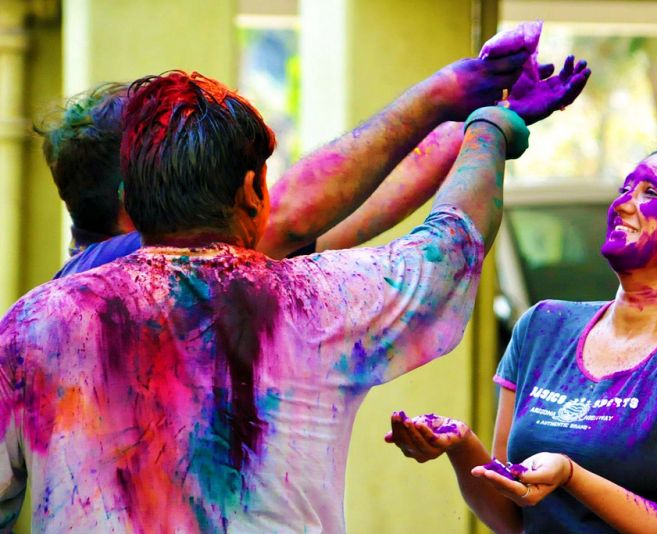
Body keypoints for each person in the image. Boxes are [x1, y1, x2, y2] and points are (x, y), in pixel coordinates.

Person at [0, 41, 590, 531]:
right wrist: (478, 118)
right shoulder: (308, 300)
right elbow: (439, 244)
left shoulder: (35, 323)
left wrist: (466, 124)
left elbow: (339, 222)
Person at [387, 147, 657, 533]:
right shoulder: (542, 326)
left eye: (650, 192)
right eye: (624, 189)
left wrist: (571, 476)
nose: (623, 204)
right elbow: (511, 517)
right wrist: (461, 446)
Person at [39, 46, 530, 276]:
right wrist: (440, 93)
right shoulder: (109, 270)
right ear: (136, 194)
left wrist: (480, 118)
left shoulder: (208, 263)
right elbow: (292, 213)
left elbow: (346, 218)